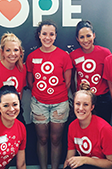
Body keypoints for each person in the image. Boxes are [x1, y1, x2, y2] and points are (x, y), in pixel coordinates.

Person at [26, 20, 72, 169]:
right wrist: (42, 94)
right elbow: (30, 82)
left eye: (51, 34)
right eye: (44, 34)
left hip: (60, 103)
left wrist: (55, 95)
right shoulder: (32, 56)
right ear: (39, 35)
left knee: (56, 139)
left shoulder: (64, 56)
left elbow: (67, 83)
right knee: (42, 139)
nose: (48, 37)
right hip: (39, 104)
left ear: (55, 36)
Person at [69, 20, 112, 123]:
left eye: (88, 36)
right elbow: (71, 78)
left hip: (102, 99)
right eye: (82, 37)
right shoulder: (73, 55)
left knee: (103, 129)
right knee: (84, 129)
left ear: (94, 35)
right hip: (83, 101)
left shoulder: (105, 53)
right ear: (77, 39)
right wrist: (76, 94)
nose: (85, 40)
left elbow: (110, 78)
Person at [63, 82, 112, 169]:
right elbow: (69, 158)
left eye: (85, 104)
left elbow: (111, 163)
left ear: (92, 107)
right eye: (77, 104)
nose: (81, 108)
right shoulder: (72, 126)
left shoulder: (104, 128)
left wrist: (85, 160)